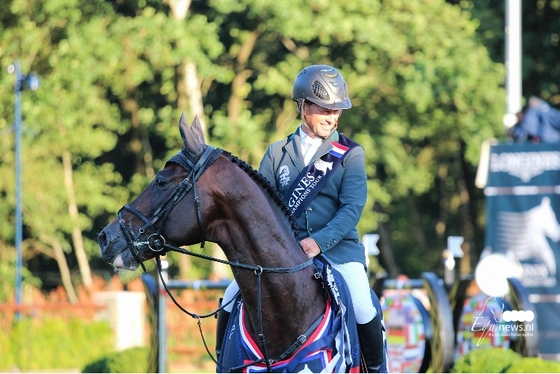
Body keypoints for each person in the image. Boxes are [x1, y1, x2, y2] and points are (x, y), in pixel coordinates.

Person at [216, 64, 384, 372]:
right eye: (324, 109)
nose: (332, 117)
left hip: (337, 252)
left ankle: (376, 370)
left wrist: (317, 243)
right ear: (303, 106)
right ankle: (224, 364)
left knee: (362, 304)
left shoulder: (349, 154)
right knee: (229, 297)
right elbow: (259, 210)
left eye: (337, 111)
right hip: (283, 255)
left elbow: (351, 210)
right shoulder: (277, 153)